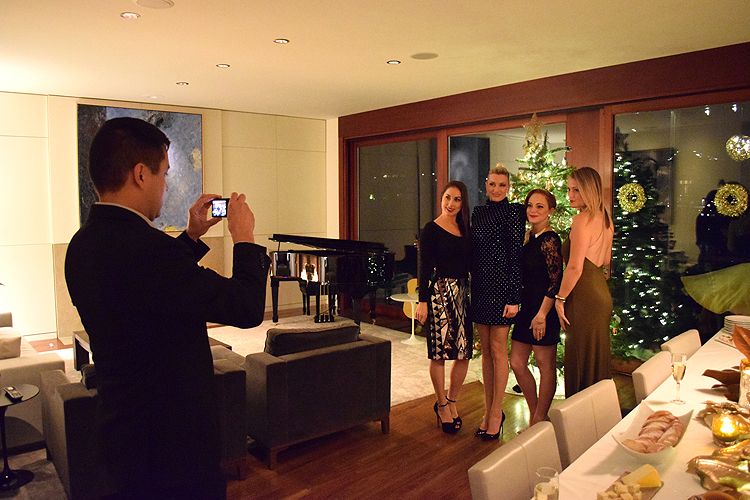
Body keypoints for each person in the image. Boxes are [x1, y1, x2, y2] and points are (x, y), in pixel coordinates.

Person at [65, 117, 270, 499]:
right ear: (141, 174)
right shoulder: (150, 251)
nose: (166, 185)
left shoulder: (82, 245)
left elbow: (150, 289)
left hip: (120, 433)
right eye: (164, 174)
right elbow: (245, 307)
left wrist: (191, 235)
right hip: (173, 448)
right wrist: (244, 238)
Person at [471, 164, 526, 440]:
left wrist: (514, 297)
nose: (496, 189)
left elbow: (516, 256)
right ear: (486, 184)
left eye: (502, 185)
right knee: (486, 352)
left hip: (503, 288)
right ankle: (487, 410)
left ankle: (496, 412)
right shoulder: (477, 212)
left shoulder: (515, 212)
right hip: (480, 287)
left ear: (508, 187)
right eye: (492, 184)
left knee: (498, 350)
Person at [414, 181, 473, 434]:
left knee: (464, 353)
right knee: (439, 353)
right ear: (441, 198)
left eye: (457, 199)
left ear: (463, 203)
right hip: (439, 294)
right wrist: (423, 301)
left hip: (462, 295)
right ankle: (441, 405)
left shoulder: (465, 228)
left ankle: (452, 400)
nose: (451, 204)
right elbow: (423, 267)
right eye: (447, 197)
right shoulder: (431, 229)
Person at [554, 166, 614, 397]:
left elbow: (575, 267)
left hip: (584, 295)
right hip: (600, 292)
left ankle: (579, 414)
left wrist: (560, 299)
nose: (570, 195)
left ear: (589, 190)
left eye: (576, 190)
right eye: (569, 189)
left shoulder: (581, 220)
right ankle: (597, 411)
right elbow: (605, 260)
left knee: (579, 357)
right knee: (596, 357)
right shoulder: (606, 220)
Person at [509, 189, 563, 428]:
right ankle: (535, 415)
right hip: (526, 308)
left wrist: (542, 315)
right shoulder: (528, 236)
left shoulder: (550, 240)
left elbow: (555, 281)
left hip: (543, 309)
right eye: (530, 205)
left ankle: (540, 419)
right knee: (517, 362)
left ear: (550, 211)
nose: (533, 210)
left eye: (540, 206)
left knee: (545, 364)